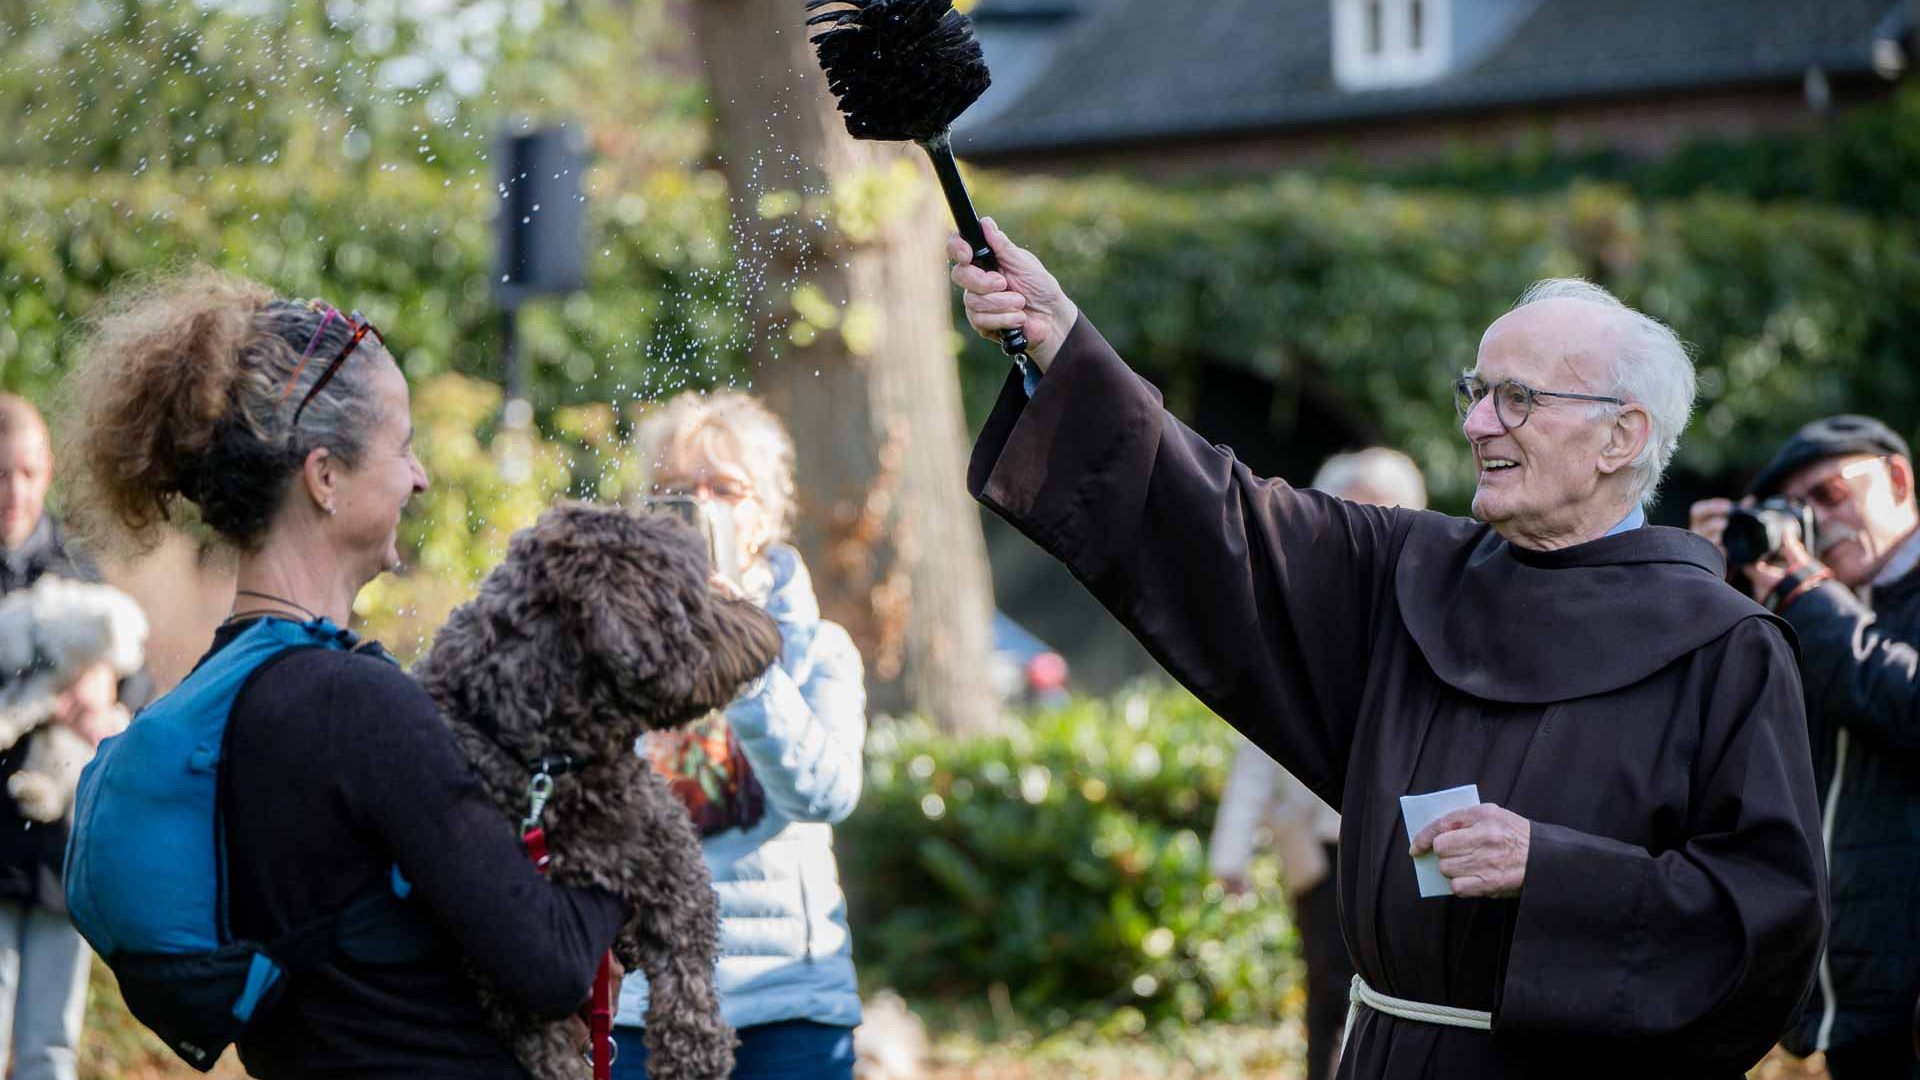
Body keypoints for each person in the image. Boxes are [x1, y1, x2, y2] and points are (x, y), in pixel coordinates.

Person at [950, 219, 1825, 1079]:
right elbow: (1225, 518)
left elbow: (1769, 918)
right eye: (1475, 392)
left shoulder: (1725, 647)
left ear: (1621, 437)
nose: (1478, 423)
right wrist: (1066, 345)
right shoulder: (1408, 573)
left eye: (1516, 398)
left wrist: (1555, 872)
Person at [61, 270, 627, 1076]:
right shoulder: (354, 703)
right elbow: (549, 965)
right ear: (324, 477)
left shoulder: (224, 697)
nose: (420, 476)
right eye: (401, 446)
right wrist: (629, 805)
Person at [613, 390, 867, 1079]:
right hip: (648, 1002)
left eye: (724, 488)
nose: (702, 506)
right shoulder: (613, 648)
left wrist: (746, 663)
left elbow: (826, 796)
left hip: (791, 1002)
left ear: (769, 512)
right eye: (676, 491)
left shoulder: (817, 650)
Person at [1690, 415, 1920, 1079]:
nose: (1817, 521)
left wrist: (1805, 596)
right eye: (1793, 511)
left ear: (1899, 479)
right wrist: (1715, 593)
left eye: (1831, 494)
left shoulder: (1810, 605)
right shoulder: (1792, 610)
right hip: (1804, 1029)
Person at [1209, 447, 1426, 1080]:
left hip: (1404, 846)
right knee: (1329, 990)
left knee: (1405, 993)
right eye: (1351, 510)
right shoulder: (1299, 614)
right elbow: (1258, 747)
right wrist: (1230, 854)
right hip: (1317, 847)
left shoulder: (1432, 608)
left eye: (1382, 511)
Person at [0, 394, 147, 1080]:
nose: (13, 492)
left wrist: (106, 695)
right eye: (1, 474)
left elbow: (137, 680)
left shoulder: (79, 573)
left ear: (48, 472)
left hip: (59, 854)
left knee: (50, 1049)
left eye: (26, 474)